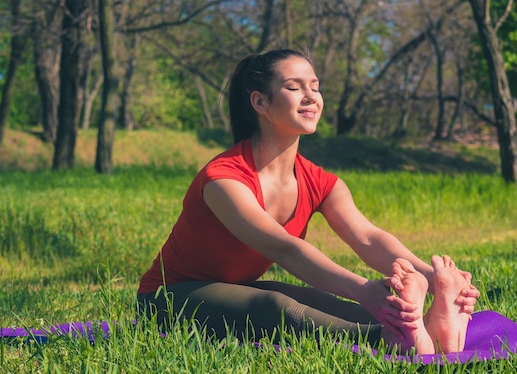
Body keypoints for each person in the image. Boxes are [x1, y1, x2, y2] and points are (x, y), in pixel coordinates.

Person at [136, 48, 480, 354]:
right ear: (260, 102)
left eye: (315, 86)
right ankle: (392, 339)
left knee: (326, 304)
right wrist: (363, 288)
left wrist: (433, 279)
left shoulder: (319, 181)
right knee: (275, 306)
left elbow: (368, 237)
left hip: (235, 288)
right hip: (168, 300)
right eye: (294, 87)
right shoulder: (223, 179)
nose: (311, 97)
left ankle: (427, 329)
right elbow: (284, 249)